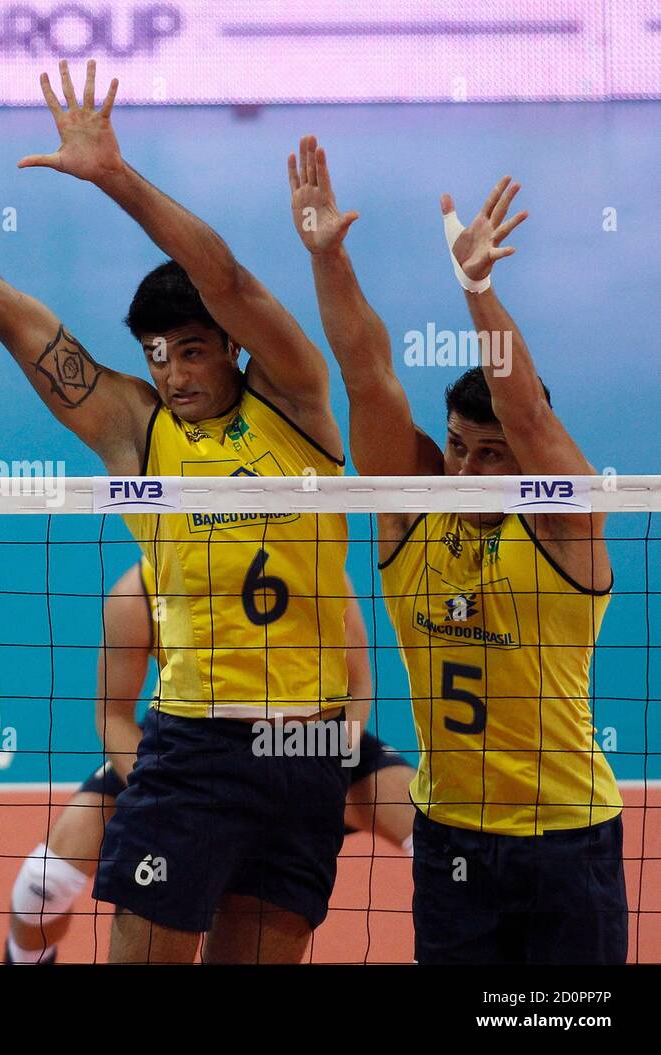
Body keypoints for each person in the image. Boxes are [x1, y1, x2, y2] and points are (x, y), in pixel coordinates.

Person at [0, 59, 359, 962]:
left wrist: (116, 177)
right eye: (159, 355)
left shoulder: (296, 404)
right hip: (194, 745)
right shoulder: (139, 429)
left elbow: (233, 280)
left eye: (193, 352)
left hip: (304, 748)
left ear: (232, 349)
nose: (173, 372)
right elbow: (6, 312)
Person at [289, 133, 625, 963]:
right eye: (457, 447)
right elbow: (366, 376)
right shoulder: (413, 514)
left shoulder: (562, 531)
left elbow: (535, 420)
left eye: (492, 453)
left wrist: (477, 289)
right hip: (451, 843)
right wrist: (328, 260)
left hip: (568, 840)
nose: (469, 469)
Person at [6, 564, 414, 964]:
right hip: (190, 755)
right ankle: (23, 956)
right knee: (44, 883)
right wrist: (173, 796)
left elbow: (357, 685)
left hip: (308, 747)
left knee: (435, 844)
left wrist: (322, 761)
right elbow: (112, 715)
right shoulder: (140, 592)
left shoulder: (313, 566)